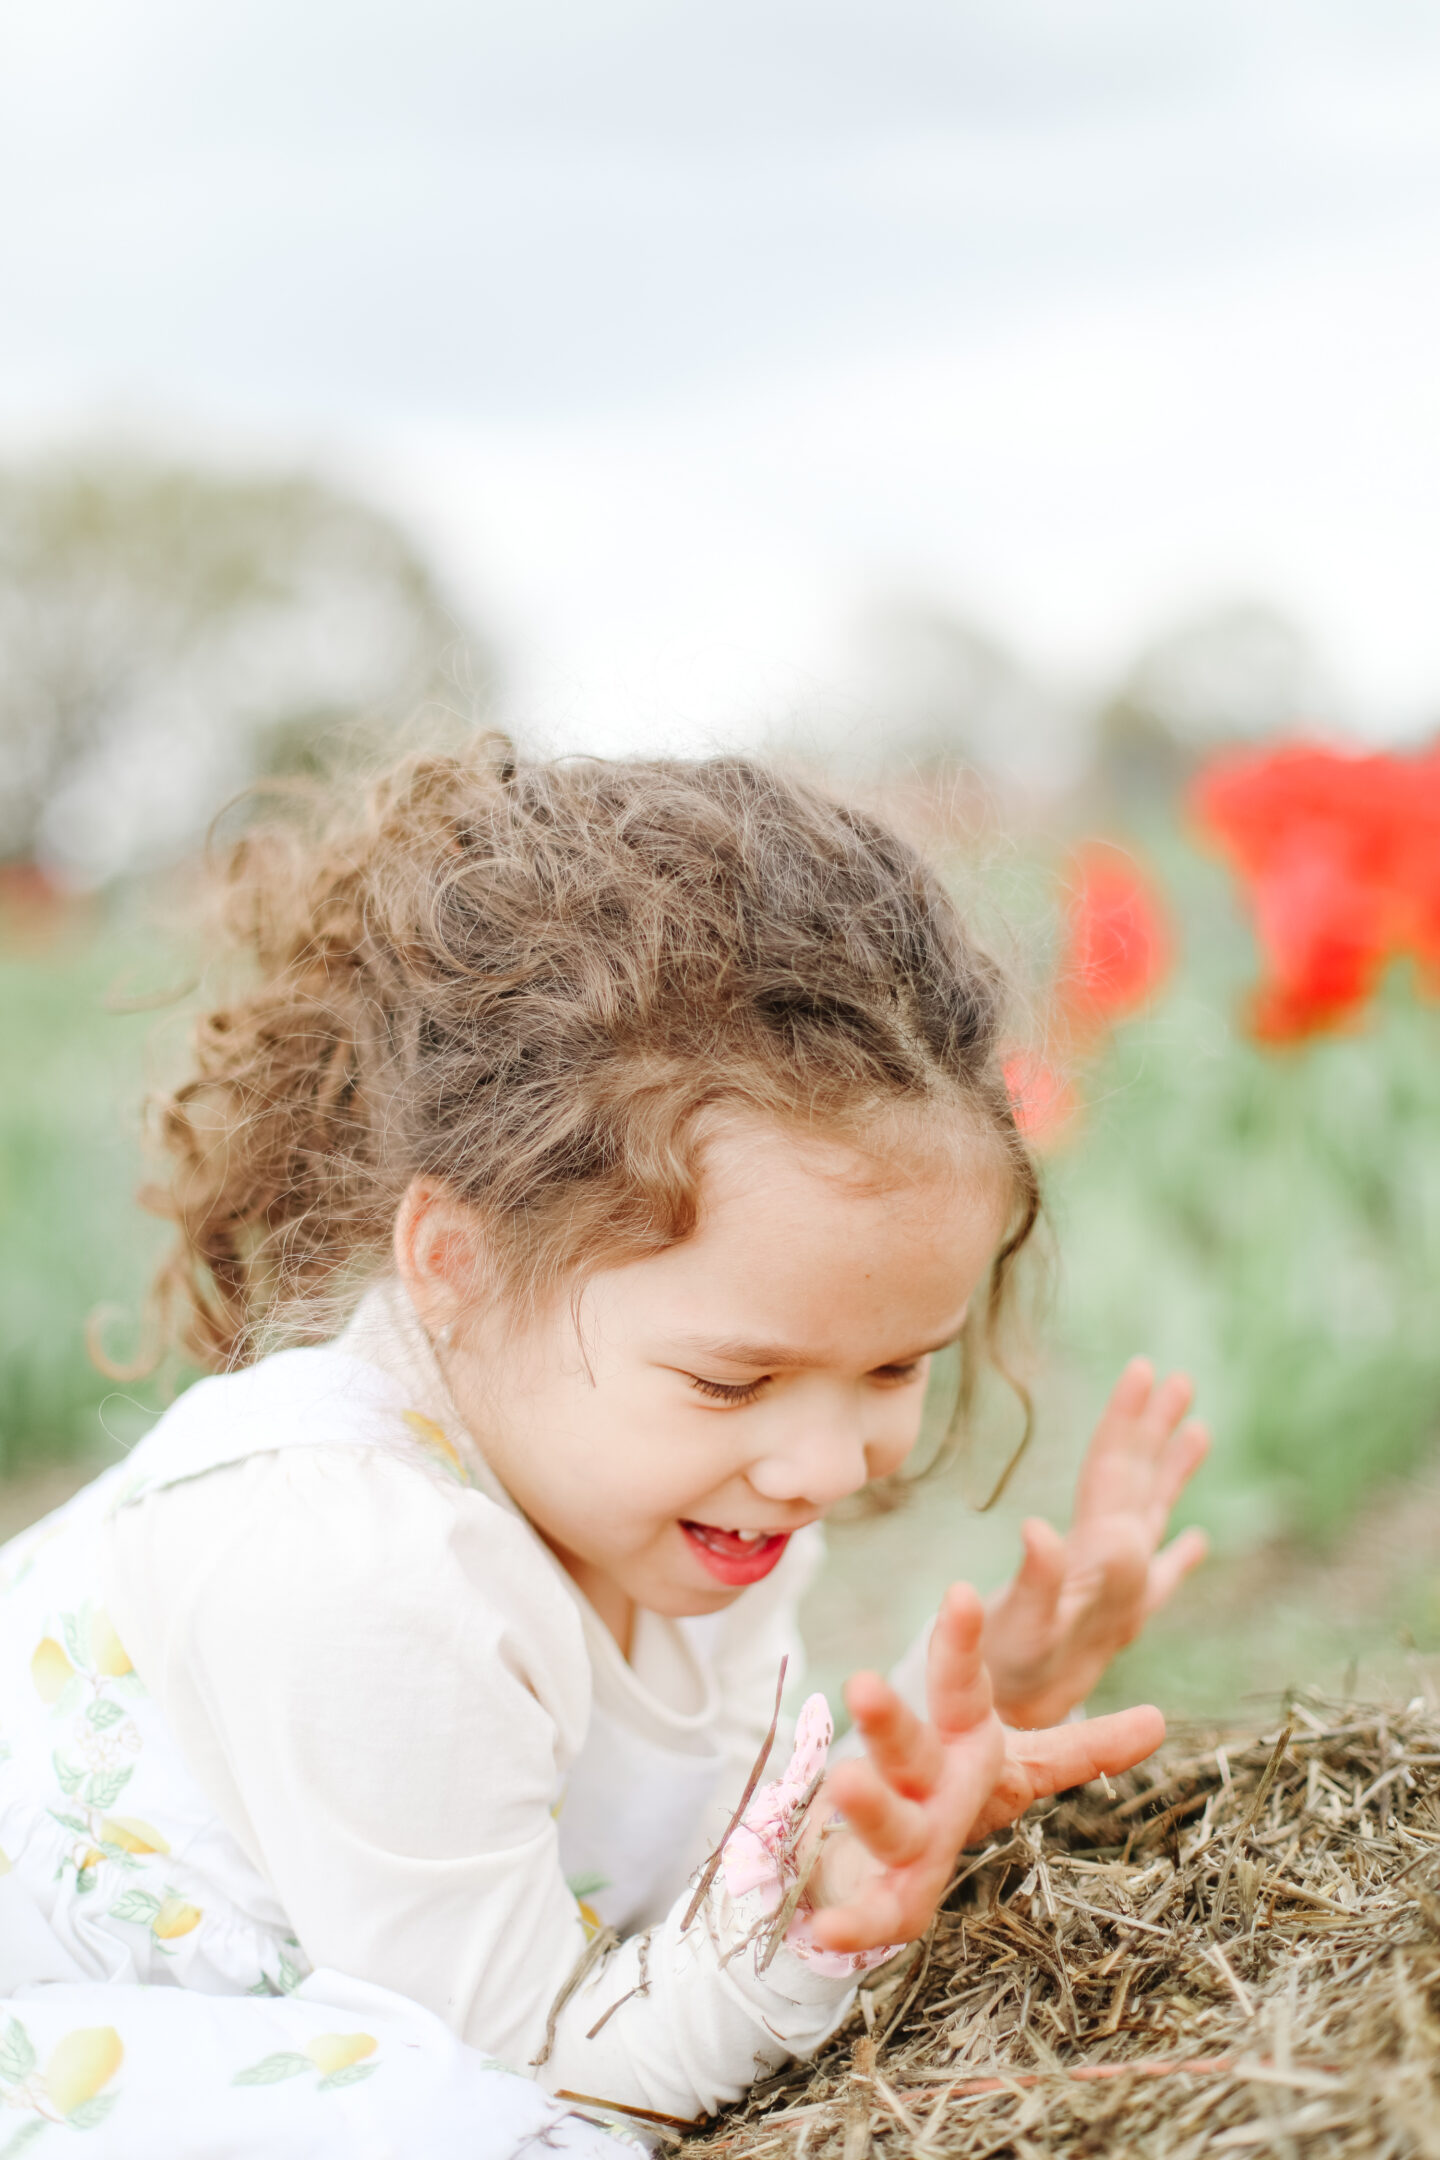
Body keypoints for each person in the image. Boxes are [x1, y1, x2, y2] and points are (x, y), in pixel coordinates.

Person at [0, 746, 1207, 2156]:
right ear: (453, 1262)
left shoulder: (685, 1500)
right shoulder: (353, 1568)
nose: (825, 1465)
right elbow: (546, 2076)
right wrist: (815, 1931)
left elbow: (650, 1885)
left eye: (895, 1366)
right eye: (732, 1377)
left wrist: (962, 1724)